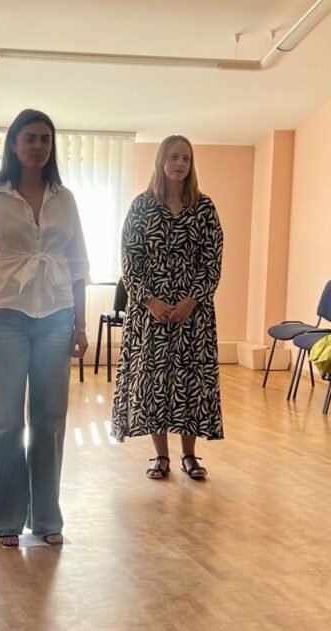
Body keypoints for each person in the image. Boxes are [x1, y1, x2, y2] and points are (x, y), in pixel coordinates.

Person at [0, 109, 89, 548]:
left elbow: (78, 263)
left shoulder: (64, 198)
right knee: (3, 422)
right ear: (14, 144)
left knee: (50, 420)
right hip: (5, 315)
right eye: (30, 138)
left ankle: (47, 517)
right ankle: (4, 521)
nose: (38, 146)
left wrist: (80, 323)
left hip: (56, 316)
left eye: (45, 139)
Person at [111, 135, 224, 479]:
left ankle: (189, 455)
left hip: (194, 312)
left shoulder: (204, 208)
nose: (180, 164)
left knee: (190, 380)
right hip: (151, 311)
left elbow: (212, 261)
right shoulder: (141, 206)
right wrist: (150, 300)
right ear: (162, 160)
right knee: (155, 381)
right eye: (174, 157)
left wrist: (191, 300)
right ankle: (161, 456)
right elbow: (130, 261)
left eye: (186, 158)